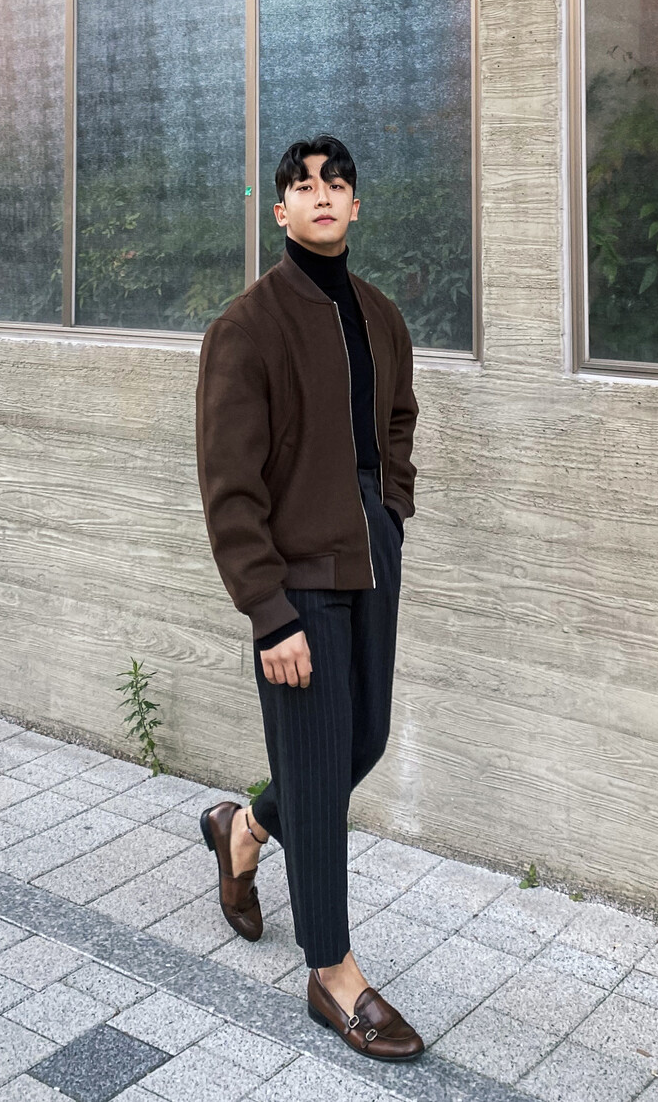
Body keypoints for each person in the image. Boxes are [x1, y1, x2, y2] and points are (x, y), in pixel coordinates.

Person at [194, 134, 422, 1061]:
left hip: (370, 563)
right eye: (302, 184)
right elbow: (228, 484)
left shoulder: (381, 316)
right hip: (297, 582)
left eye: (337, 183)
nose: (321, 194)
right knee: (322, 771)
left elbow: (397, 422)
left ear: (355, 206)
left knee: (360, 743)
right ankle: (333, 971)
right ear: (280, 208)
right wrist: (268, 610)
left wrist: (392, 509)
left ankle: (243, 828)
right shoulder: (247, 327)